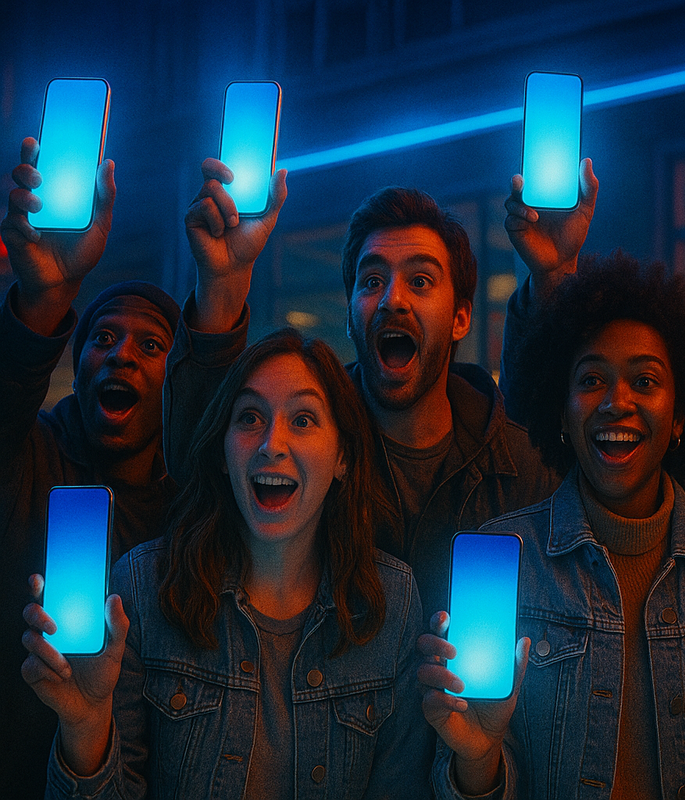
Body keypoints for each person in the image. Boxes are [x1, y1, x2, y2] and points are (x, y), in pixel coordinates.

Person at [418, 253, 685, 799]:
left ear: (681, 415)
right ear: (560, 412)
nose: (618, 403)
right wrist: (476, 758)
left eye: (645, 380)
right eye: (591, 379)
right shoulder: (503, 558)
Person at [21, 328, 433, 799]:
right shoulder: (145, 587)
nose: (271, 444)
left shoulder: (391, 602)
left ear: (342, 457)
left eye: (303, 420)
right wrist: (85, 724)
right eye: (250, 417)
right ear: (222, 450)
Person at [167, 159, 558, 614]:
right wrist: (221, 282)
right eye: (372, 281)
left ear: (460, 319)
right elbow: (198, 470)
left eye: (420, 281)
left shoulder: (519, 465)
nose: (393, 299)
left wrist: (552, 275)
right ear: (351, 318)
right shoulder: (306, 442)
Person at [0, 137, 181, 796]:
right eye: (101, 339)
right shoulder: (30, 453)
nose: (121, 355)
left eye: (151, 345)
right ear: (77, 368)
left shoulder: (189, 502)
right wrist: (46, 295)